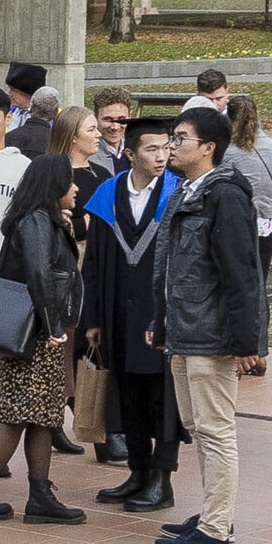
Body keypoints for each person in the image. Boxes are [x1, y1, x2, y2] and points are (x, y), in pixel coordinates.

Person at [156, 103, 266, 544]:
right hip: (184, 330)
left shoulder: (225, 195)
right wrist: (159, 321)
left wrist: (245, 342)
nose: (171, 146)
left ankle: (216, 529)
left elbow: (242, 272)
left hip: (212, 335)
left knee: (216, 430)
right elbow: (171, 266)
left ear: (208, 147)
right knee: (198, 427)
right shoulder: (187, 190)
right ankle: (213, 513)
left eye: (180, 138)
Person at [0, 151, 87, 526]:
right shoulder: (36, 221)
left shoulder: (44, 220)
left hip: (40, 333)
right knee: (18, 416)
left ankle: (40, 495)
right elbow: (39, 274)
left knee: (42, 417)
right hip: (35, 335)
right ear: (53, 185)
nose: (76, 188)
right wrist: (53, 326)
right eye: (69, 181)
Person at [78, 119, 180, 513]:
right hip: (118, 312)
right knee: (129, 395)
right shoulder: (108, 194)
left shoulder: (177, 194)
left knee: (163, 398)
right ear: (132, 153)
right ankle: (138, 472)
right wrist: (92, 319)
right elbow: (92, 264)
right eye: (152, 149)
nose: (162, 156)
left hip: (161, 316)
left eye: (166, 148)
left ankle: (161, 479)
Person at [228, 94, 272, 377]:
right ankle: (261, 353)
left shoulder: (228, 153)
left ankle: (242, 351)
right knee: (260, 288)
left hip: (242, 225)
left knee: (240, 287)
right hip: (270, 224)